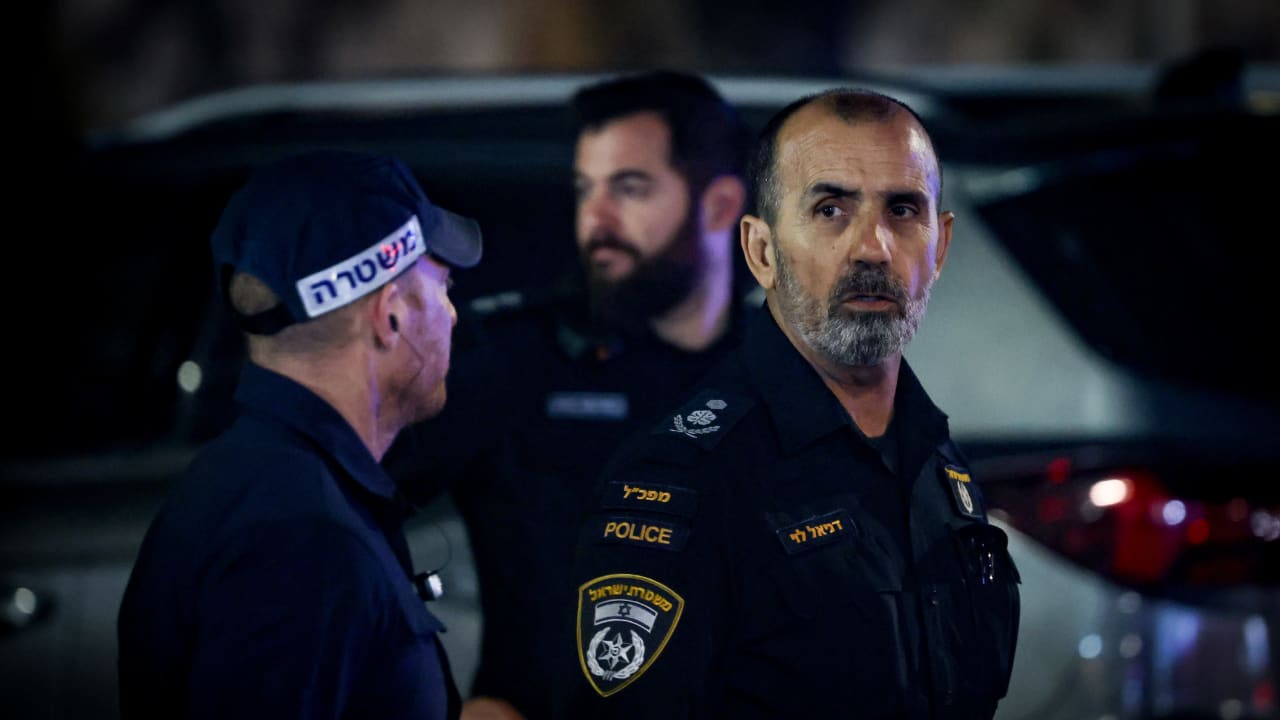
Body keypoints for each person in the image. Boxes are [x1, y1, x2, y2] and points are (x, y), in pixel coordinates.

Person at [557, 89, 1021, 717]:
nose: (874, 247)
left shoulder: (933, 458)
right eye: (830, 209)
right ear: (761, 252)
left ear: (938, 248)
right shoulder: (686, 481)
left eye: (902, 209)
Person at [383, 70, 750, 720]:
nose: (595, 220)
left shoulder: (788, 371)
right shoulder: (519, 359)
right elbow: (348, 502)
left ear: (720, 206)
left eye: (630, 188)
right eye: (586, 189)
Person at [117, 149, 482, 719]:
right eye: (443, 286)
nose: (452, 314)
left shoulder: (247, 481)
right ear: (390, 317)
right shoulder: (305, 542)